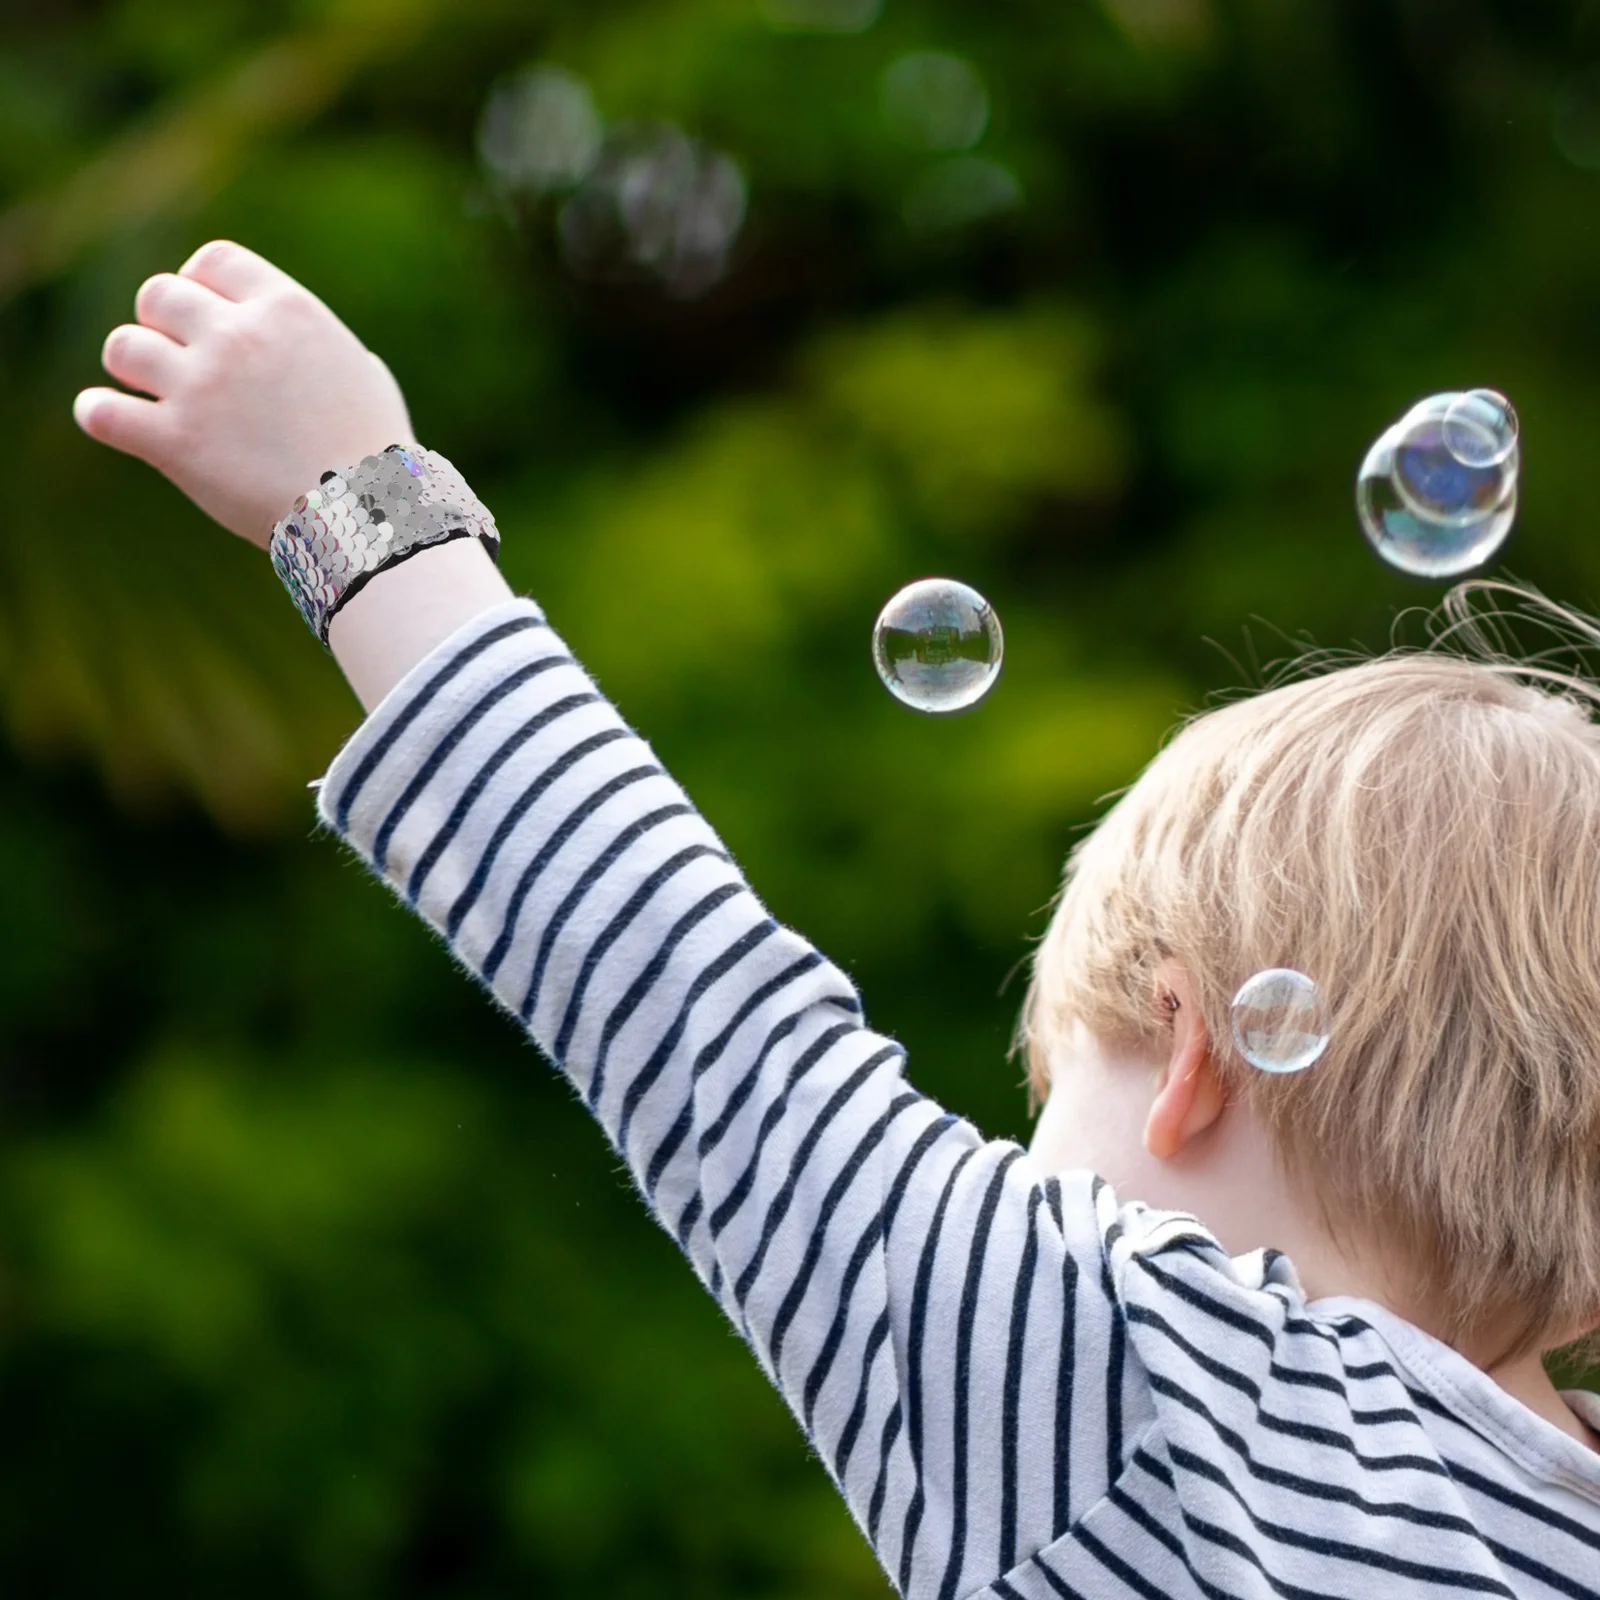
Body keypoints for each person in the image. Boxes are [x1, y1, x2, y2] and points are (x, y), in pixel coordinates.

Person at [75, 240, 1600, 1599]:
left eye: (1053, 1109)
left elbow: (701, 1016)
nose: (1004, 1177)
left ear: (1192, 1056)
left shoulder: (1132, 1377)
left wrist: (354, 499)